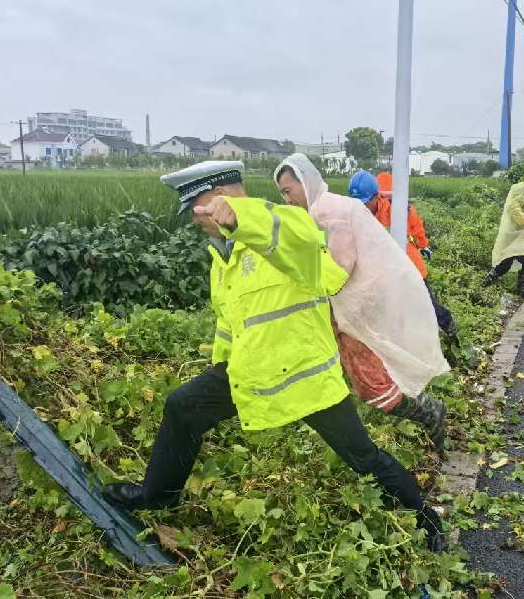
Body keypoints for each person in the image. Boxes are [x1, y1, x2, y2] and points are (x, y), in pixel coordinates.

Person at [102, 161, 446, 552]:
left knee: (362, 456)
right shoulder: (223, 255)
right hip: (253, 370)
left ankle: (424, 516)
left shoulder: (290, 227)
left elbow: (281, 234)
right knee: (182, 407)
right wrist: (222, 367)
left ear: (223, 197)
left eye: (198, 208)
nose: (196, 222)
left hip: (305, 379)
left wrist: (242, 216)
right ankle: (157, 496)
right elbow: (229, 322)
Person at [273, 154, 449, 454]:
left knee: (371, 383)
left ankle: (429, 412)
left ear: (306, 183)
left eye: (288, 191)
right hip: (358, 303)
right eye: (281, 194)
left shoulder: (327, 214)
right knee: (362, 370)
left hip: (359, 306)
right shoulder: (326, 207)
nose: (286, 199)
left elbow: (338, 271)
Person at [347, 170, 456, 337]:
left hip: (410, 268)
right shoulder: (358, 215)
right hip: (385, 274)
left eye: (364, 202)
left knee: (428, 306)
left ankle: (452, 332)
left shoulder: (397, 209)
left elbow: (416, 226)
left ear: (376, 197)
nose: (362, 207)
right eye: (357, 203)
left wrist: (423, 245)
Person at [485, 162, 524, 296]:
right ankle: (486, 284)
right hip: (512, 231)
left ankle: (519, 288)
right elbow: (513, 208)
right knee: (507, 262)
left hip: (522, 233)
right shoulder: (519, 188)